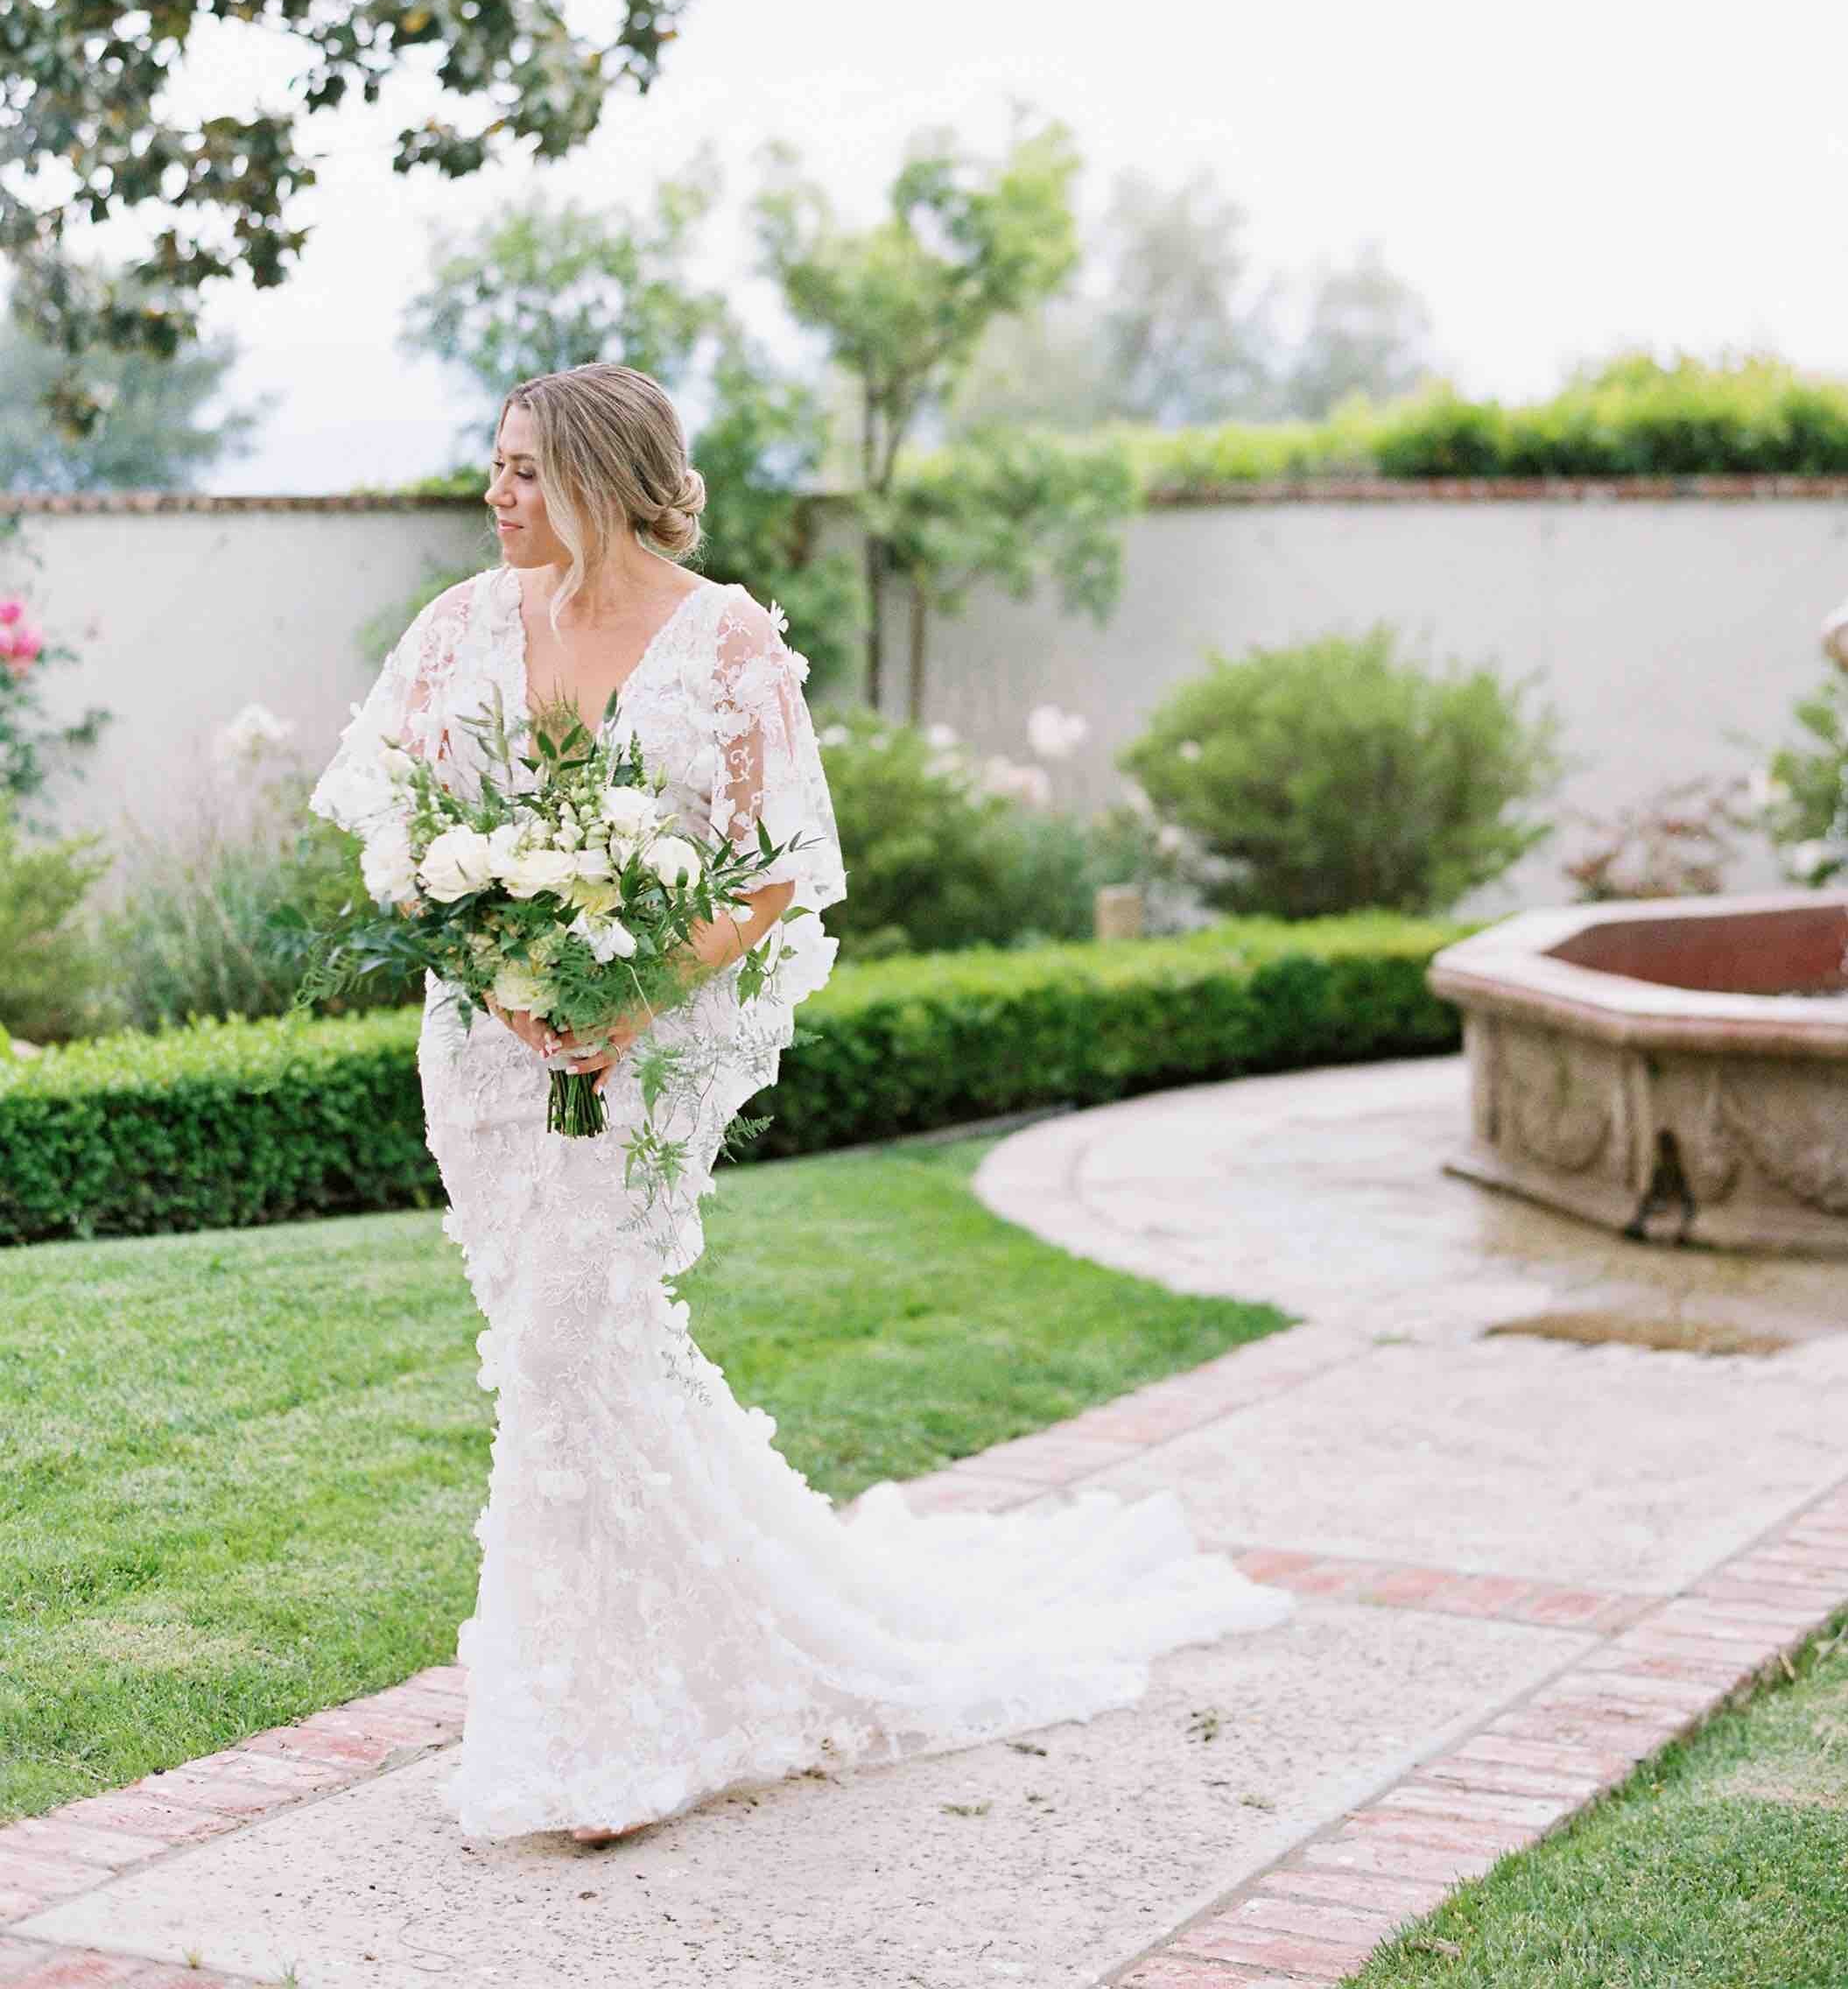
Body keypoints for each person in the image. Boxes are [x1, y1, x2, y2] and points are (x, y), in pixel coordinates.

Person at [311, 362, 1289, 1848]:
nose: (495, 497)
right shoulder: (456, 630)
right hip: (490, 1051)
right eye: (493, 469)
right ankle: (701, 1660)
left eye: (521, 471)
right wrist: (504, 976)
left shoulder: (726, 639)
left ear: (593, 477)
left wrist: (628, 994)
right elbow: (396, 824)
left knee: (576, 1338)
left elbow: (774, 867)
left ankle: (585, 1736)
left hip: (647, 1053)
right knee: (558, 1344)